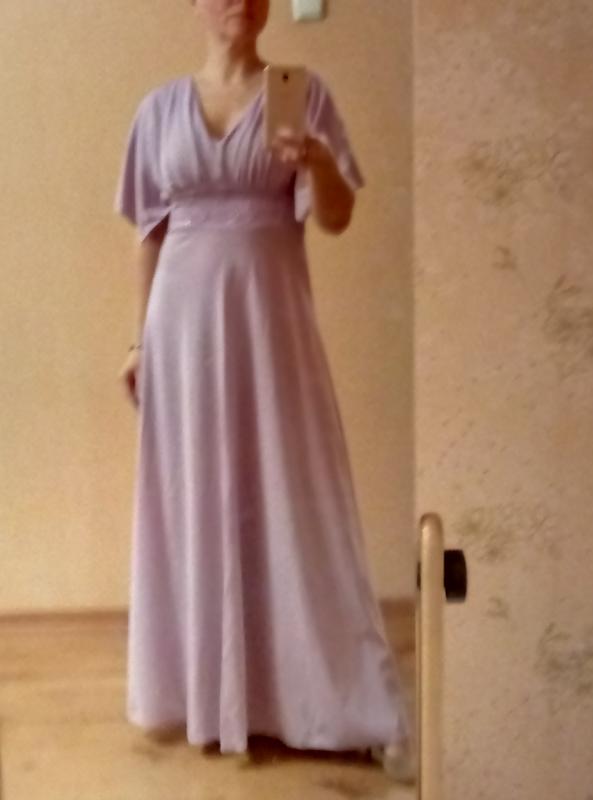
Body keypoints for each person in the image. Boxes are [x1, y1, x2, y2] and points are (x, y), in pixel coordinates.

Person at [114, 0, 414, 783]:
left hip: (270, 319)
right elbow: (149, 234)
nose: (239, 1)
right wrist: (140, 341)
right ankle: (211, 694)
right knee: (192, 495)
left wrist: (315, 161)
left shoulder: (302, 93)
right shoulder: (157, 110)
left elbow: (337, 218)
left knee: (292, 490)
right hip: (181, 326)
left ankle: (329, 698)